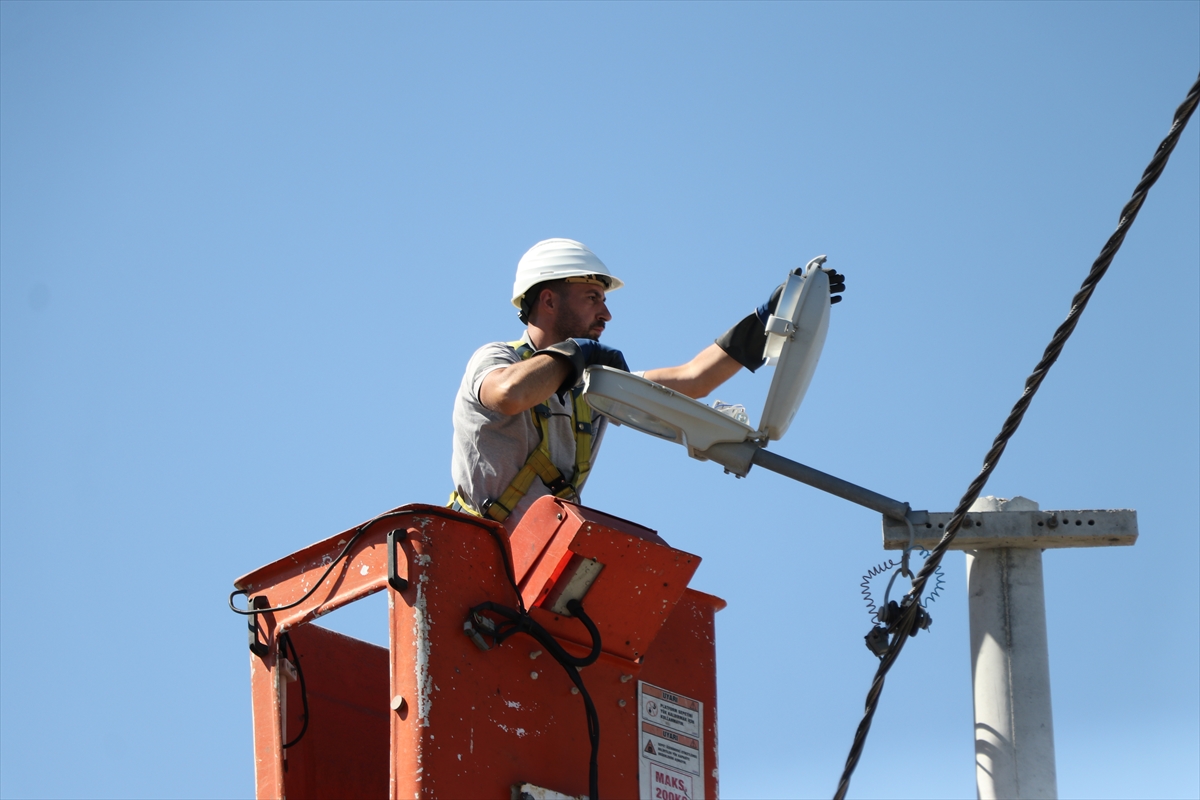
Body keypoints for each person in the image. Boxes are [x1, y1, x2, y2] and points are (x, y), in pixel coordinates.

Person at [449, 238, 845, 528]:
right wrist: (576, 354)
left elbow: (693, 379)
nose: (606, 314)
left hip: (538, 557)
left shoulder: (593, 385)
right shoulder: (498, 359)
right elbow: (509, 394)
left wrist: (767, 320)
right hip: (475, 546)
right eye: (592, 297)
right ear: (549, 301)